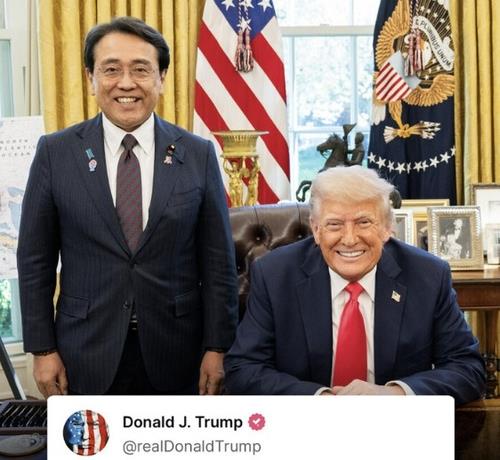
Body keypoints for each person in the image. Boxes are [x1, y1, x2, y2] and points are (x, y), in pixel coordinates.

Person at [17, 17, 238, 396]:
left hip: (178, 351)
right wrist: (42, 349)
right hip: (83, 351)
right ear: (90, 78)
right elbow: (35, 260)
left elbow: (218, 263)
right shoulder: (56, 153)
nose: (126, 83)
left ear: (161, 78)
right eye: (111, 70)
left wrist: (218, 348)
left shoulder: (197, 154)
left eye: (140, 69)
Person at [224, 166, 485, 404]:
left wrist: (394, 394)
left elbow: (467, 368)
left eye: (364, 222)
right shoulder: (275, 275)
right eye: (334, 224)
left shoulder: (427, 276)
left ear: (387, 228)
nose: (349, 239)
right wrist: (321, 399)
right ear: (316, 230)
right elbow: (243, 369)